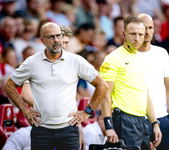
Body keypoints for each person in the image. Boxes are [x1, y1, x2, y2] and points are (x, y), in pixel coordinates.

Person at [4, 22, 109, 150]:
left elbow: (102, 85)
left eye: (58, 36)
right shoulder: (32, 62)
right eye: (51, 37)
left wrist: (87, 112)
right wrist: (25, 110)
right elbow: (9, 85)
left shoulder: (75, 60)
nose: (56, 40)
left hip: (69, 129)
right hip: (41, 129)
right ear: (42, 41)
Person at [100, 16, 162, 150]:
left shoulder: (142, 59)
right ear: (124, 34)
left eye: (140, 34)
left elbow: (145, 94)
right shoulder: (113, 58)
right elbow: (105, 95)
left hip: (142, 121)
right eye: (133, 34)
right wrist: (109, 126)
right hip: (123, 121)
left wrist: (155, 123)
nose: (137, 38)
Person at [137, 13, 169, 150]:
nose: (147, 32)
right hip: (139, 119)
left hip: (164, 119)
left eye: (150, 27)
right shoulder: (127, 55)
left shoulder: (162, 53)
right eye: (144, 27)